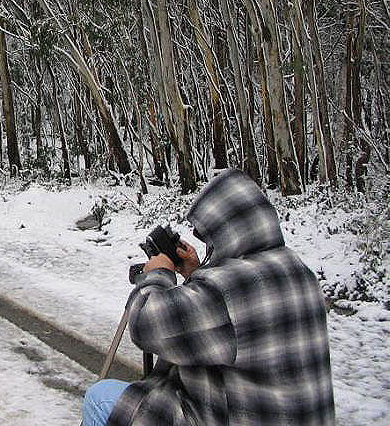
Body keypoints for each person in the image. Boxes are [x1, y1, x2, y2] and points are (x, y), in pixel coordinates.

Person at [82, 168, 335, 426]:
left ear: (228, 231)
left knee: (100, 397)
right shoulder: (298, 270)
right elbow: (229, 322)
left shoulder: (230, 289)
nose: (210, 246)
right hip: (284, 414)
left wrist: (157, 274)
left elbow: (146, 326)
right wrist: (195, 271)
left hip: (233, 416)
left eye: (212, 240)